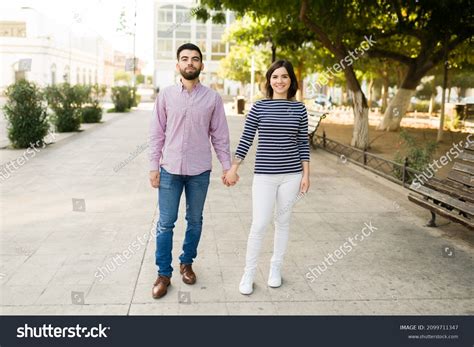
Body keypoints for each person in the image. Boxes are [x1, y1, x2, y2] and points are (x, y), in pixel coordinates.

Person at [149, 43, 233, 299]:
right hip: (170, 170)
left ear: (201, 66)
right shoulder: (165, 96)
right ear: (178, 65)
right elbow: (156, 134)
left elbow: (220, 136)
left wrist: (227, 167)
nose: (189, 63)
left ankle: (187, 262)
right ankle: (164, 274)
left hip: (199, 171)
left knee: (195, 221)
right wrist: (153, 166)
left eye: (194, 59)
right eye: (184, 59)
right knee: (165, 223)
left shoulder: (212, 99)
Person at [224, 60, 310, 295]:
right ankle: (249, 272)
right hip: (265, 176)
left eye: (284, 76)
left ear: (291, 81)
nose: (279, 81)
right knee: (260, 223)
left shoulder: (300, 109)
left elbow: (303, 143)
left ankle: (275, 269)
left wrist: (306, 175)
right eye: (275, 77)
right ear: (269, 80)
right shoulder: (259, 107)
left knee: (282, 223)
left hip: (292, 175)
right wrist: (234, 168)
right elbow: (246, 140)